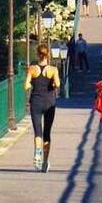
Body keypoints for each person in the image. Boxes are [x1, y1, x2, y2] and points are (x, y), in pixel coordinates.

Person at [25, 43, 60, 172]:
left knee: (37, 132)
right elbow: (57, 83)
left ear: (38, 54)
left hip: (36, 102)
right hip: (49, 102)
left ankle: (37, 152)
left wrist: (33, 86)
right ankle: (45, 162)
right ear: (48, 54)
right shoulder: (53, 70)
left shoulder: (32, 69)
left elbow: (26, 85)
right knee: (47, 133)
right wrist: (52, 85)